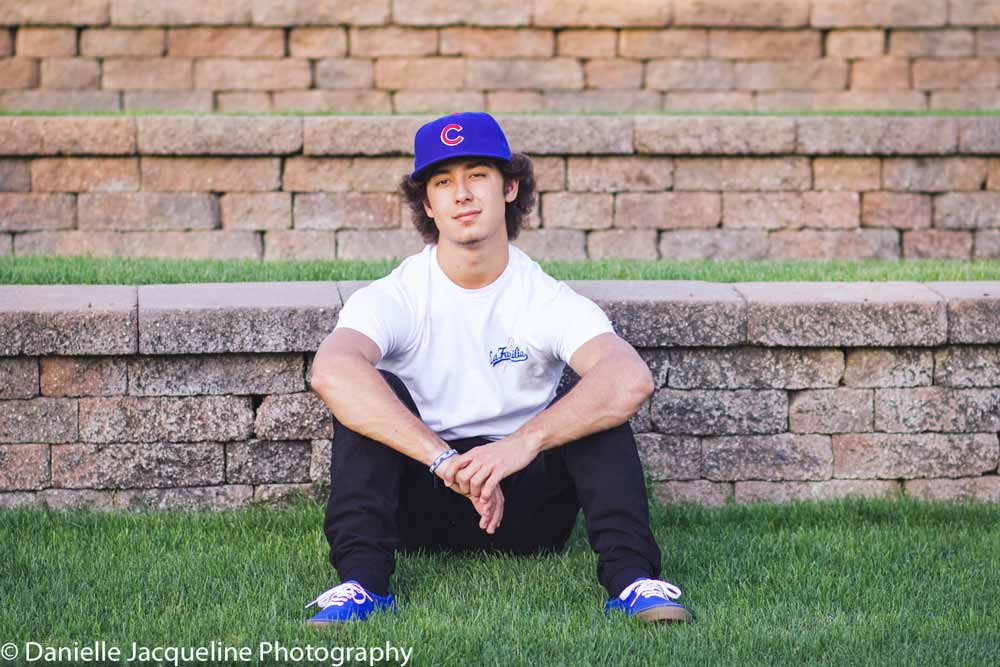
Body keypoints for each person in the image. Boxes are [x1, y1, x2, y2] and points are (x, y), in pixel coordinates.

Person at [304, 111, 692, 625]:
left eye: (477, 176)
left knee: (595, 397)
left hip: (526, 507)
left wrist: (518, 447)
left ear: (510, 188)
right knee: (373, 388)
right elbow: (331, 370)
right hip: (422, 498)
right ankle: (361, 584)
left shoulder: (544, 297)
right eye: (443, 183)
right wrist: (444, 460)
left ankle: (633, 582)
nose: (461, 194)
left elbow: (629, 378)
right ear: (428, 204)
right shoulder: (397, 295)